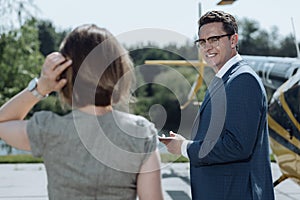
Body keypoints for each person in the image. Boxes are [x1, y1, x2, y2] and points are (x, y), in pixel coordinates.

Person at [0, 24, 163, 200]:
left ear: (64, 76)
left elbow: (2, 122)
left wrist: (41, 87)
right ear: (118, 72)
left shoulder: (49, 129)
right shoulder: (140, 132)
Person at [160, 10, 275, 199]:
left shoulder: (243, 79)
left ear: (233, 40)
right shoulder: (224, 79)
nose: (207, 47)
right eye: (202, 42)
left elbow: (236, 146)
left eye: (214, 39)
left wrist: (184, 148)